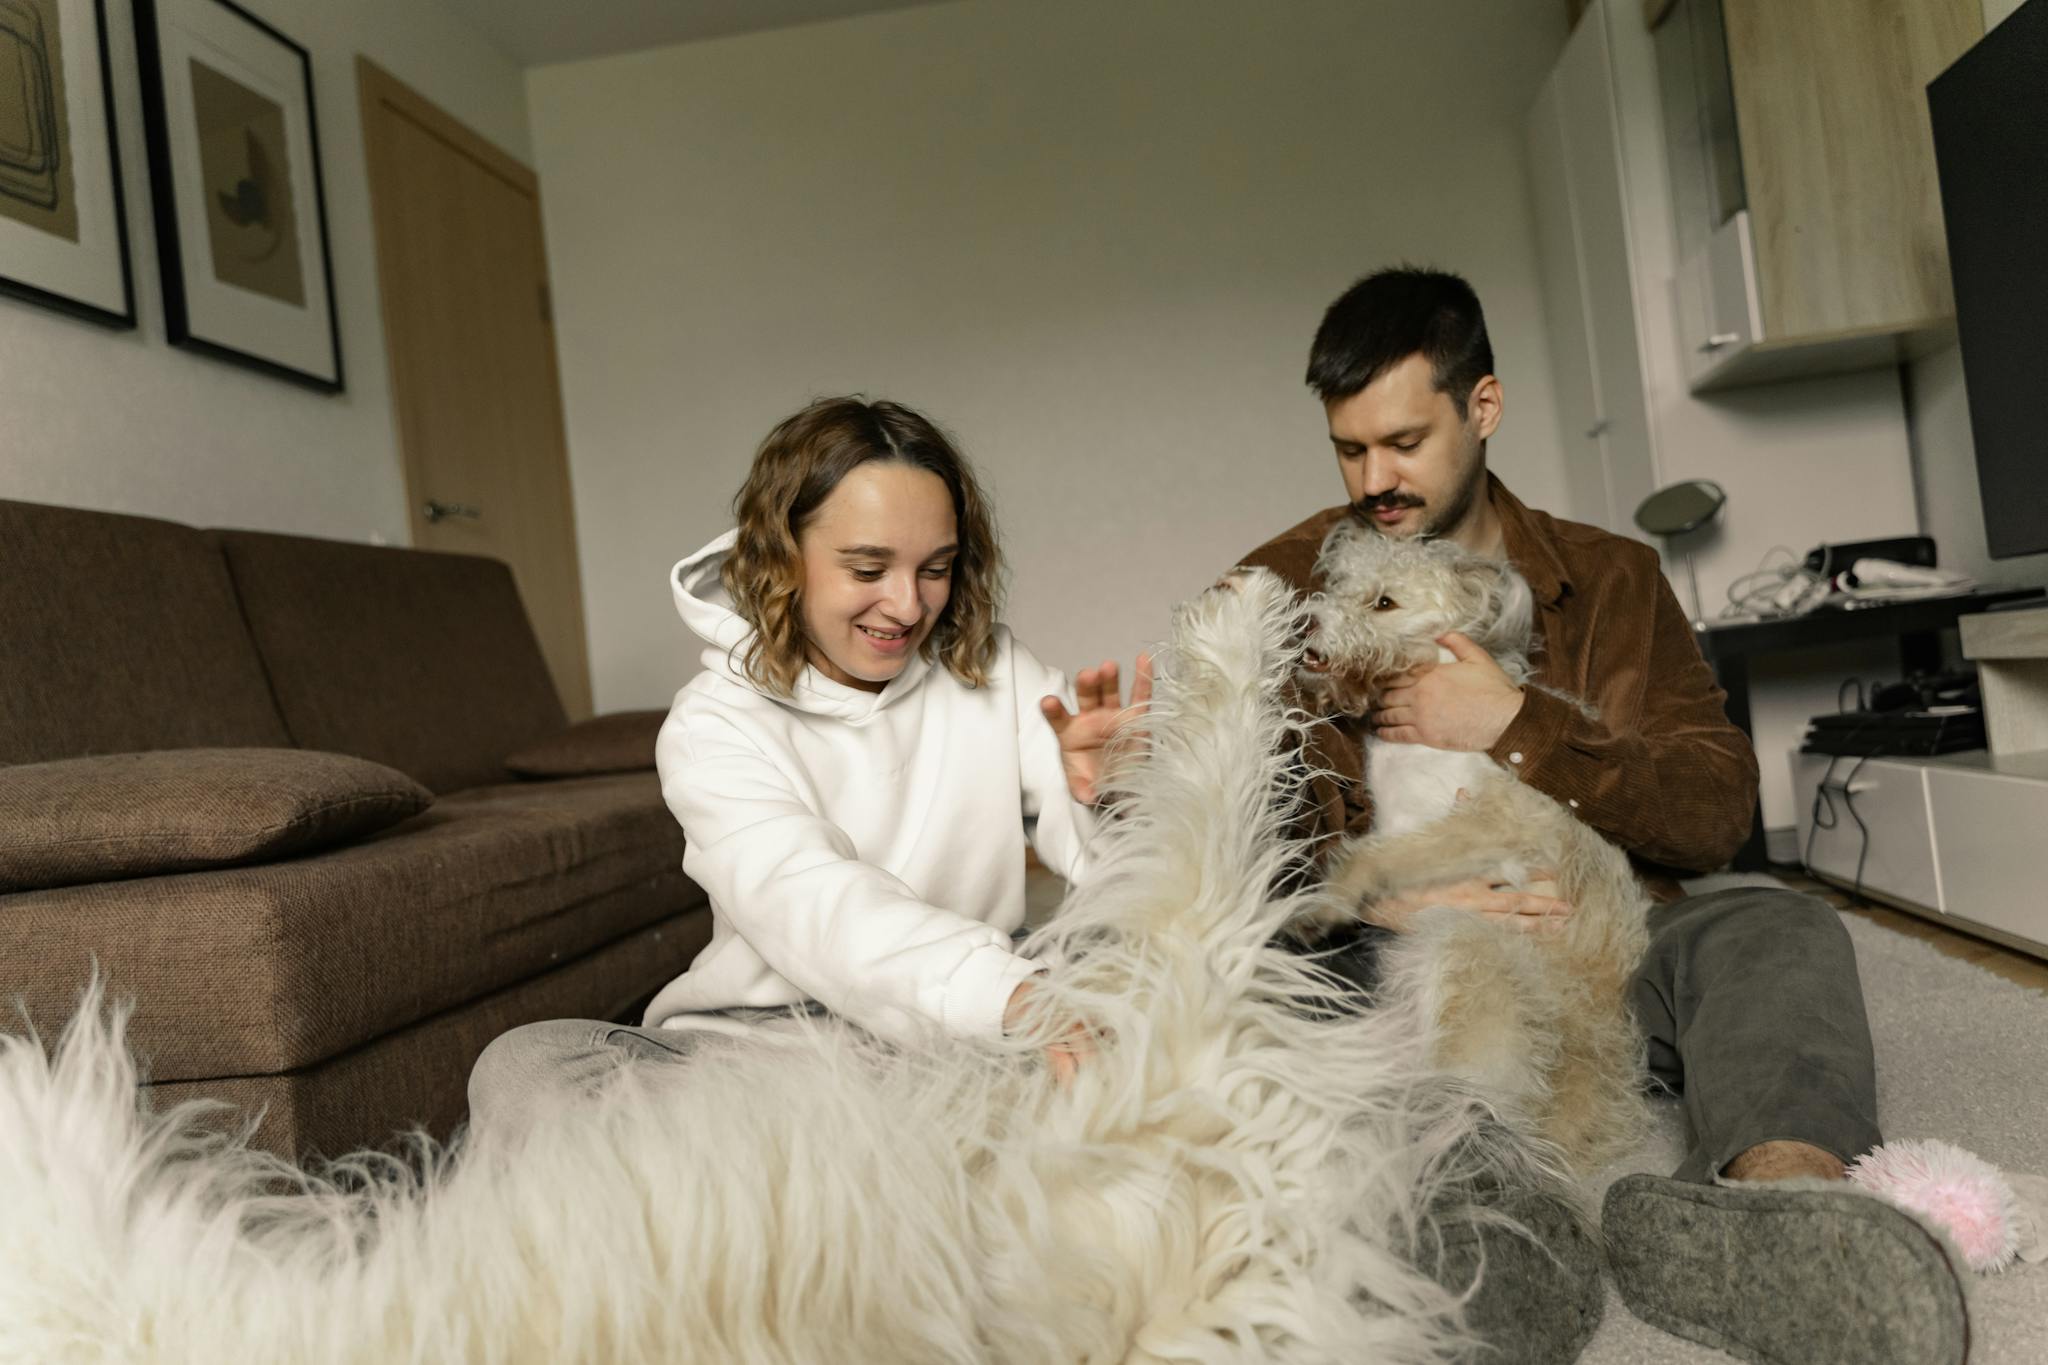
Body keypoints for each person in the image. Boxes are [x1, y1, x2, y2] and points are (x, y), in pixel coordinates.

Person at [1234, 268, 1966, 1365]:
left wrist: (1514, 720)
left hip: (1603, 943)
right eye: (1349, 449)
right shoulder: (1283, 586)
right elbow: (1235, 840)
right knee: (1253, 984)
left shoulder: (1614, 579)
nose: (1373, 479)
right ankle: (1497, 1230)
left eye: (1403, 440)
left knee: (1774, 926)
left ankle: (1779, 1209)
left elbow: (1713, 812)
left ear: (1481, 406)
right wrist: (1391, 906)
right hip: (1396, 963)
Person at [468, 396, 1146, 1134]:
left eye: (936, 568)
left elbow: (1122, 879)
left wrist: (1112, 793)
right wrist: (1008, 995)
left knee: (1149, 1007)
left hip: (956, 1042)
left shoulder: (997, 672)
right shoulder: (713, 721)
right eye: (868, 566)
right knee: (526, 1065)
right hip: (764, 1055)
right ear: (784, 554)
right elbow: (812, 902)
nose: (907, 604)